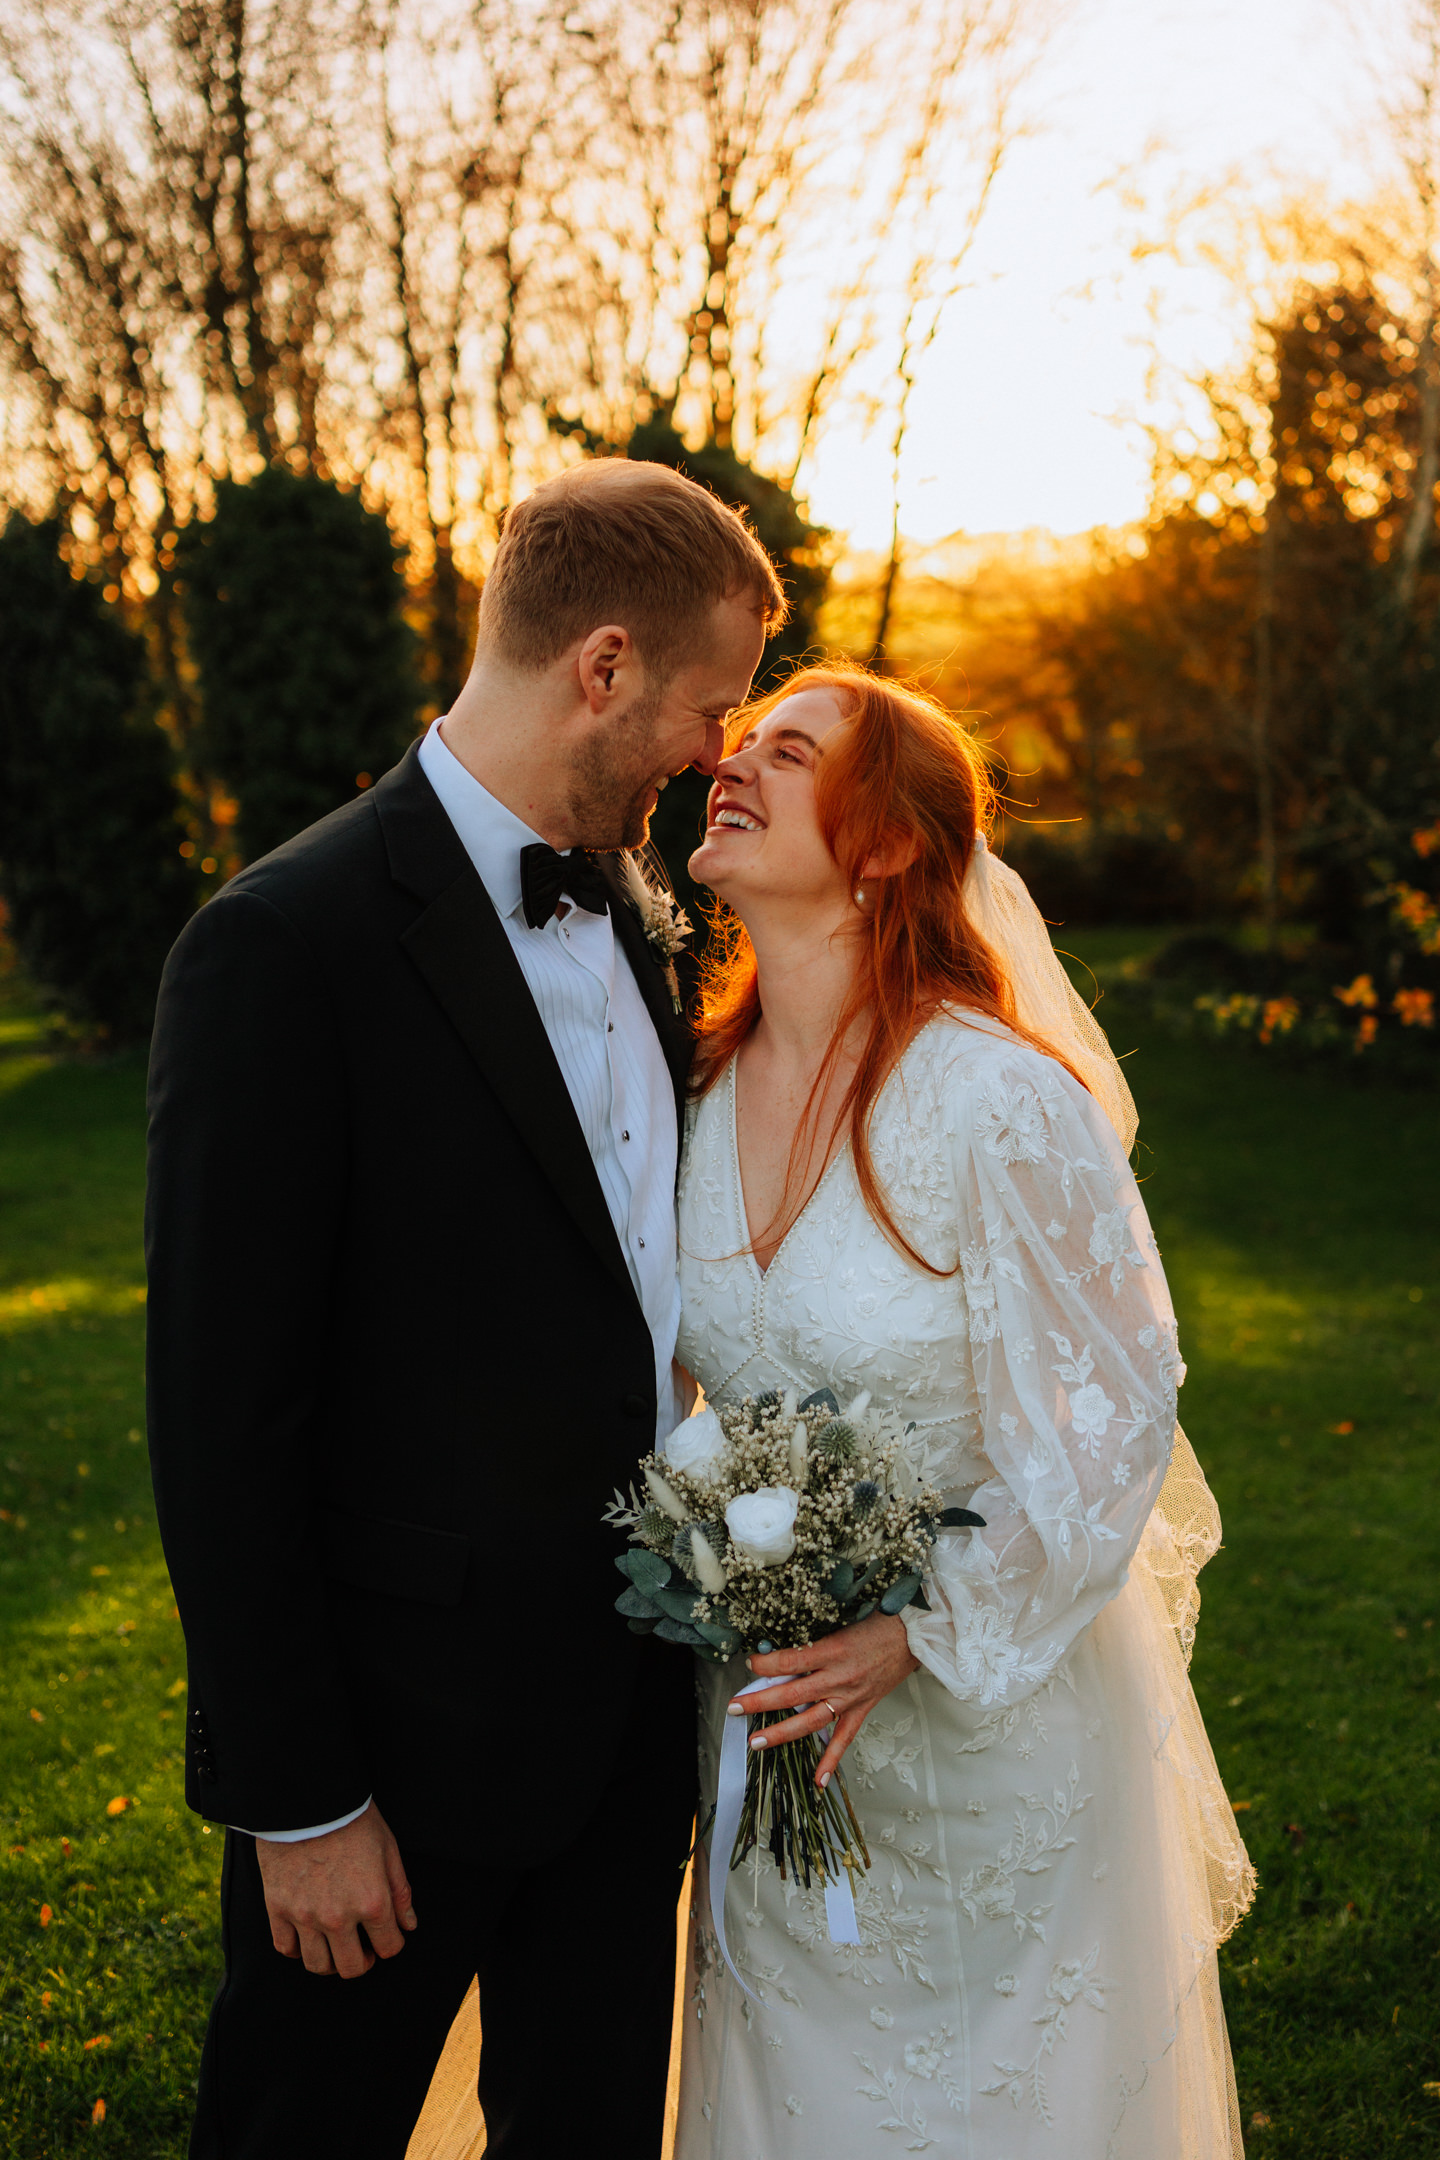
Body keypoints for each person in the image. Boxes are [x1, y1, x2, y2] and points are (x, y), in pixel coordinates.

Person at [145, 457, 786, 2160]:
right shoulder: (284, 945)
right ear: (604, 667)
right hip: (394, 1761)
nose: (713, 751)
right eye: (707, 706)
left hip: (626, 1729)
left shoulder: (636, 902)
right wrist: (298, 1798)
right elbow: (223, 1418)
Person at [669, 662, 1256, 2157]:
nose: (732, 767)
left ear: (879, 849)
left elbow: (1116, 1406)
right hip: (773, 1743)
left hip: (998, 1772)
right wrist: (723, 1559)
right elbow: (672, 1379)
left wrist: (916, 1629)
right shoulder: (686, 1098)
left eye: (787, 755)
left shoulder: (998, 1100)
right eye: (739, 744)